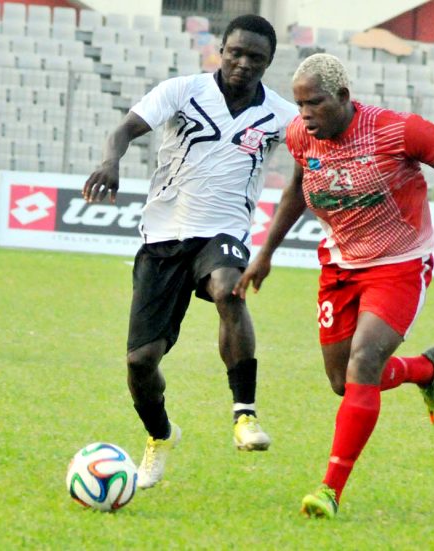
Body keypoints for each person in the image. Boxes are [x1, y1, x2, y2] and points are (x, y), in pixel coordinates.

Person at [234, 53, 434, 518]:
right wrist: (265, 252)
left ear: (344, 98)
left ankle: (329, 490)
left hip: (400, 263)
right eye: (299, 103)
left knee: (365, 359)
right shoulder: (300, 135)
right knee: (342, 382)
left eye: (315, 103)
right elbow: (295, 191)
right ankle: (426, 371)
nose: (305, 114)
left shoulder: (397, 130)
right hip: (339, 265)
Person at [82, 14, 298, 489]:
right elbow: (123, 131)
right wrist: (109, 161)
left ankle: (245, 414)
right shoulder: (182, 91)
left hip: (223, 231)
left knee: (228, 289)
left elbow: (313, 163)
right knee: (140, 363)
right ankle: (160, 436)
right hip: (163, 237)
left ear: (269, 63)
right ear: (221, 49)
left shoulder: (283, 116)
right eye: (235, 53)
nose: (242, 64)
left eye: (255, 58)